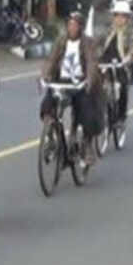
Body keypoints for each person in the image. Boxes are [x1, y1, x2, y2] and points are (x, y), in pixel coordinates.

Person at [41, 11, 103, 166]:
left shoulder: (88, 42)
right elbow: (51, 60)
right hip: (62, 81)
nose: (72, 28)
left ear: (81, 27)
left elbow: (91, 63)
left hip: (80, 83)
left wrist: (89, 80)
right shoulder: (61, 41)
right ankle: (50, 135)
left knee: (87, 110)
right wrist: (46, 76)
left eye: (75, 25)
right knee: (48, 103)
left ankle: (87, 145)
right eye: (69, 24)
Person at [100, 0, 133, 120]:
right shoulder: (108, 30)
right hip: (106, 63)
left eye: (123, 16)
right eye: (117, 15)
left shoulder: (130, 32)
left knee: (123, 88)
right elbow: (99, 45)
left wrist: (129, 57)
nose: (119, 19)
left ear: (127, 18)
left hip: (122, 64)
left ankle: (121, 116)